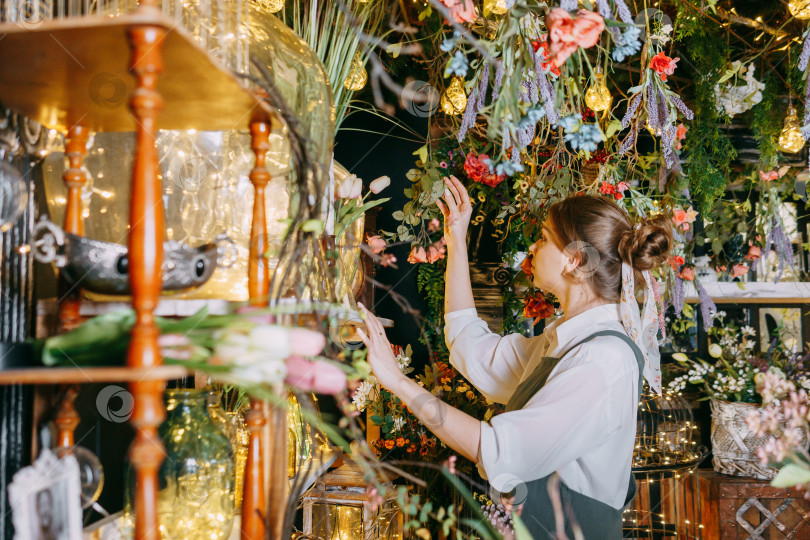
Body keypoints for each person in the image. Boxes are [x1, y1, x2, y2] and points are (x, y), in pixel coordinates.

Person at [357, 175, 672, 539]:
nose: (533, 248)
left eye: (542, 238)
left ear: (575, 260)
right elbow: (470, 346)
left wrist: (398, 382)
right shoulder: (567, 340)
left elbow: (495, 450)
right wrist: (456, 239)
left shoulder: (601, 359)